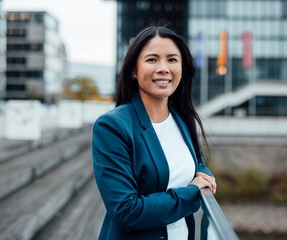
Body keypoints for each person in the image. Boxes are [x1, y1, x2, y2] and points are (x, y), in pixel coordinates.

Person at [92, 26, 216, 240]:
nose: (163, 68)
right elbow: (126, 211)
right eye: (152, 60)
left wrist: (205, 178)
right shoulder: (112, 127)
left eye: (172, 59)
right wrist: (191, 193)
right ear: (133, 70)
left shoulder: (182, 119)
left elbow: (197, 165)